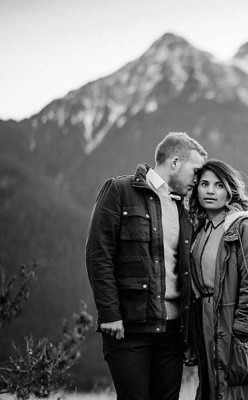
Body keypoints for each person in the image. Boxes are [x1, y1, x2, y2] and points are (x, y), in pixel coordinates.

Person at [85, 132, 207, 400]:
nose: (197, 180)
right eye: (195, 171)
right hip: (130, 328)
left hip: (173, 331)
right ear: (175, 162)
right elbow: (98, 255)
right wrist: (109, 313)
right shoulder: (119, 191)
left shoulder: (185, 208)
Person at [182, 159, 248, 400]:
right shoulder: (200, 229)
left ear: (230, 190)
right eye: (204, 184)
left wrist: (242, 334)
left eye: (218, 185)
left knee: (245, 390)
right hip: (208, 321)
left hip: (236, 323)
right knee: (216, 390)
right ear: (196, 188)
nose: (210, 191)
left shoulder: (244, 226)